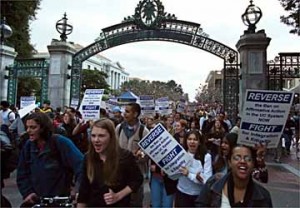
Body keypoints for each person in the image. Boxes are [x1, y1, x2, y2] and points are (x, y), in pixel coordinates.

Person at [16, 112, 83, 207]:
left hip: (59, 200)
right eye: (27, 127)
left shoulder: (60, 142)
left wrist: (77, 189)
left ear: (43, 128)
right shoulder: (28, 146)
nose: (28, 131)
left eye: (33, 127)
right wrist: (27, 192)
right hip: (38, 201)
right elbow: (22, 173)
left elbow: (81, 165)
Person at [77, 118, 143, 207]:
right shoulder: (88, 158)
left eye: (101, 136)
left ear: (111, 137)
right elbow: (83, 191)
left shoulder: (125, 156)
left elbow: (137, 180)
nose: (96, 140)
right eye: (93, 135)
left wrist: (118, 196)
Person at [195, 145, 273, 207]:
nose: (242, 161)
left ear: (253, 164)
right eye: (237, 158)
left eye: (248, 159)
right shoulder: (213, 184)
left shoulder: (263, 196)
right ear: (229, 162)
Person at [115, 102, 149, 207]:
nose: (124, 114)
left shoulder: (144, 131)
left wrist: (141, 155)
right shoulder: (119, 128)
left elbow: (148, 154)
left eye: (127, 111)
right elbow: (114, 148)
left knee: (136, 203)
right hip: (119, 174)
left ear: (135, 114)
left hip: (136, 175)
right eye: (124, 111)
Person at [174, 130, 212, 207]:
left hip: (198, 197)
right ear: (186, 141)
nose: (192, 142)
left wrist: (189, 174)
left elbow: (207, 180)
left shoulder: (206, 157)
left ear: (200, 142)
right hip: (182, 194)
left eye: (195, 139)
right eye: (189, 139)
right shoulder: (180, 154)